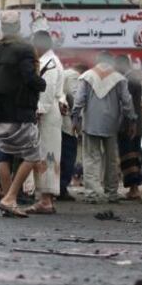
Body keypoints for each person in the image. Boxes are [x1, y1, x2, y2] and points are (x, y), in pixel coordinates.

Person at [0, 12, 46, 217]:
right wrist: (41, 83)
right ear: (18, 28)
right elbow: (29, 77)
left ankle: (8, 200)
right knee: (33, 155)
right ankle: (10, 197)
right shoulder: (24, 50)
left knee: (5, 154)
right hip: (21, 112)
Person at [71, 51, 137, 204]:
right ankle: (111, 192)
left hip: (91, 123)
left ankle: (92, 193)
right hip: (112, 124)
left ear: (97, 61)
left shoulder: (87, 76)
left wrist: (75, 119)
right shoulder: (119, 78)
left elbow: (79, 99)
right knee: (111, 159)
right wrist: (132, 120)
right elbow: (127, 102)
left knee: (91, 158)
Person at [30, 30, 64, 215]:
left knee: (47, 156)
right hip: (48, 113)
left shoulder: (50, 63)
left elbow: (47, 92)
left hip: (47, 115)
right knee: (46, 156)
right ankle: (45, 198)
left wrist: (38, 111)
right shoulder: (48, 61)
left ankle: (45, 200)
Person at [114, 54, 142, 200]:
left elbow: (128, 106)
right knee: (131, 157)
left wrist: (130, 124)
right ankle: (133, 189)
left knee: (130, 157)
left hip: (129, 126)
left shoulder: (129, 80)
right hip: (131, 125)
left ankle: (134, 189)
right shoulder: (131, 78)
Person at [58, 62, 85, 201]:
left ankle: (58, 188)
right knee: (68, 158)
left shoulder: (63, 73)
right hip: (68, 125)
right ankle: (62, 188)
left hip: (59, 123)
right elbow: (75, 99)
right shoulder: (75, 76)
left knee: (60, 157)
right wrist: (78, 121)